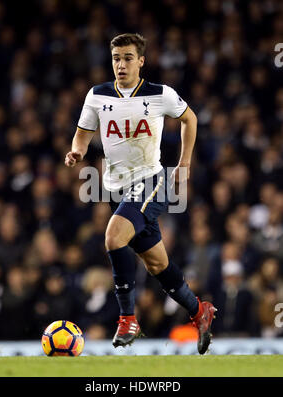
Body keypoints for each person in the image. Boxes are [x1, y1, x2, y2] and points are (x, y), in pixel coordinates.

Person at [65, 33, 216, 354]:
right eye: (116, 58)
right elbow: (82, 134)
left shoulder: (161, 94)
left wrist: (184, 163)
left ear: (141, 61)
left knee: (113, 237)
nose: (121, 64)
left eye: (128, 58)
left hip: (151, 180)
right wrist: (77, 151)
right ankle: (198, 311)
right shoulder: (97, 95)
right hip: (115, 190)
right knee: (156, 264)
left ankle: (127, 318)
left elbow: (190, 118)